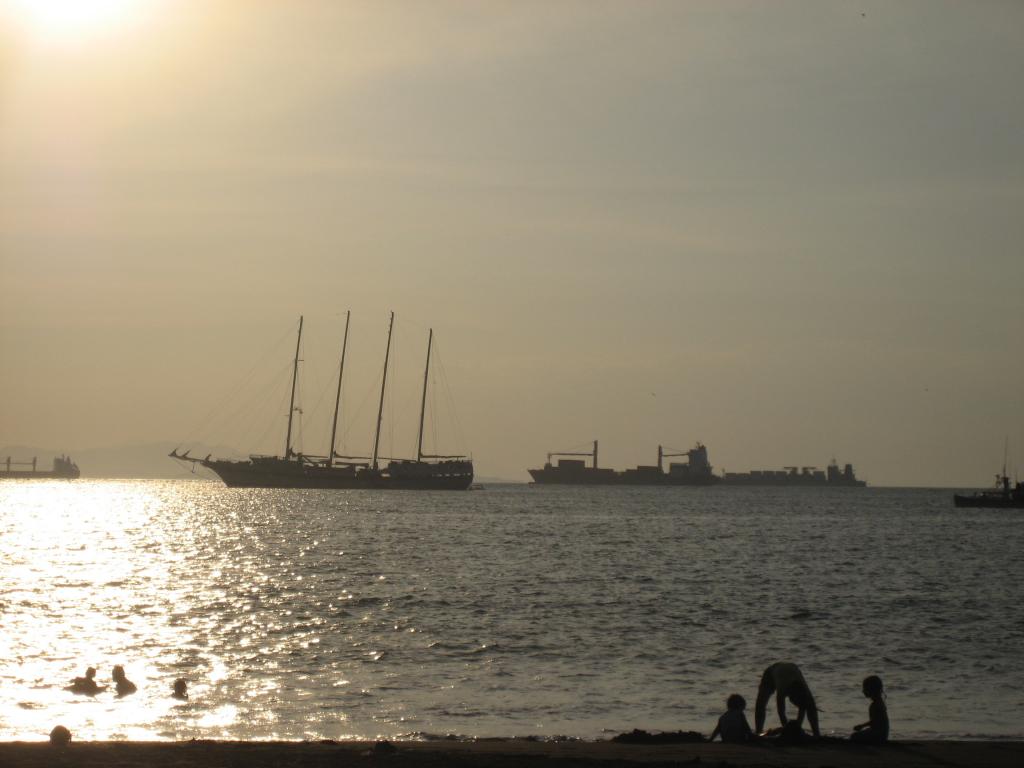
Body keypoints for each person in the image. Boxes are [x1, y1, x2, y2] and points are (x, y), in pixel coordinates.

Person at [754, 662, 820, 737]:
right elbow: (781, 713)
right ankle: (758, 732)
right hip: (771, 672)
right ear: (791, 697)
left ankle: (817, 733)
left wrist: (797, 728)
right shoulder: (782, 689)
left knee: (811, 706)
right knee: (761, 704)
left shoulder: (804, 690)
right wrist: (787, 729)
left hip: (791, 670)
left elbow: (804, 706)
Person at [851, 675, 889, 745]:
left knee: (854, 736)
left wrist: (861, 726)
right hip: (883, 734)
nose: (863, 691)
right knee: (863, 733)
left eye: (865, 689)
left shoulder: (875, 705)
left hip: (878, 736)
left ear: (871, 690)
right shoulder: (880, 702)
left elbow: (874, 721)